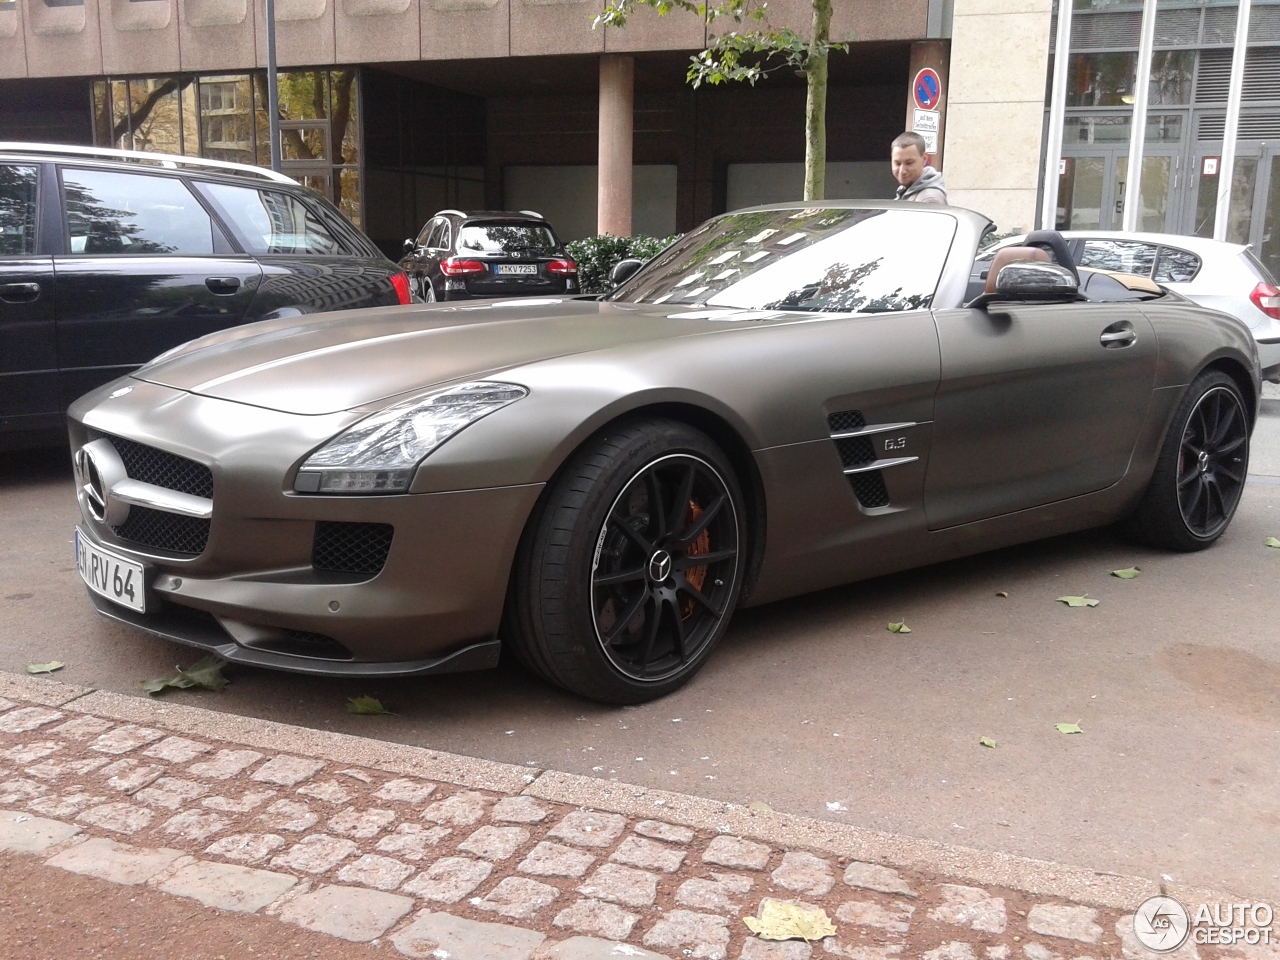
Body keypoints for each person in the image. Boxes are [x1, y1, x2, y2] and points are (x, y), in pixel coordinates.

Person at [891, 131, 948, 204]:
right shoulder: (905, 192)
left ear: (924, 159)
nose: (902, 171)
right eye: (897, 163)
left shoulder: (929, 200)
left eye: (909, 163)